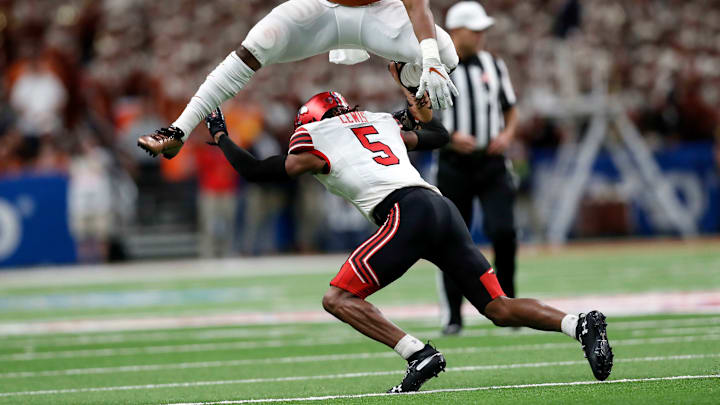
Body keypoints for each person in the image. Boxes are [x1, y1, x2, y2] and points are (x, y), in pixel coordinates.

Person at [202, 64, 613, 392]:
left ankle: (417, 354)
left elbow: (258, 171)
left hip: (404, 212)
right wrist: (415, 102)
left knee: (338, 298)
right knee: (498, 307)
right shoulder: (380, 120)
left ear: (310, 119)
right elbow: (438, 135)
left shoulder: (314, 134)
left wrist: (221, 135)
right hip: (440, 207)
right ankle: (579, 323)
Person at [137, 0, 460, 159]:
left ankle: (408, 75)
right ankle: (178, 129)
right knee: (258, 42)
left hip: (378, 13)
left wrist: (429, 60)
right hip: (321, 8)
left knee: (446, 53)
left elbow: (418, 6)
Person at [435, 1, 520, 335]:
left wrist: (507, 134)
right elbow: (420, 118)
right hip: (453, 165)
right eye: (476, 29)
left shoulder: (493, 64)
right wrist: (449, 138)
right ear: (455, 31)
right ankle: (454, 314)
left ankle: (511, 305)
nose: (483, 35)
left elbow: (511, 109)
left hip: (492, 163)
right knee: (452, 239)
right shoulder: (435, 67)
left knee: (504, 231)